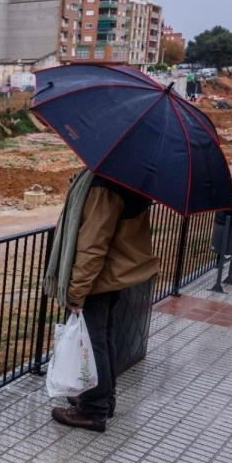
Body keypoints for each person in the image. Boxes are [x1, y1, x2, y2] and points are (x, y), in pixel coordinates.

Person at [43, 171, 160, 432]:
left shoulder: (104, 185)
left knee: (93, 341)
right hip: (113, 274)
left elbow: (92, 245)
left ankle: (93, 410)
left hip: (99, 278)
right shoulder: (126, 178)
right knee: (102, 336)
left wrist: (77, 291)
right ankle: (104, 399)